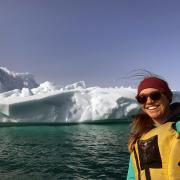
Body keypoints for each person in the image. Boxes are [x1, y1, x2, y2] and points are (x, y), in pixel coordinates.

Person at [126, 76, 180, 180]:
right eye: (142, 98)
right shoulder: (139, 138)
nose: (149, 101)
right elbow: (132, 177)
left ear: (168, 97)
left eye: (155, 95)